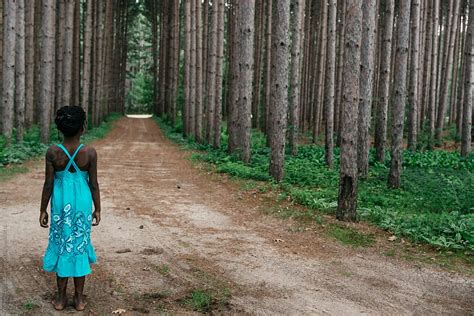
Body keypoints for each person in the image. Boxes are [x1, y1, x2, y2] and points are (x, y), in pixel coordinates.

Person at [39, 106, 101, 311]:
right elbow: (94, 184)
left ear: (60, 129)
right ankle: (79, 299)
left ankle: (60, 298)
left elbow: (48, 184)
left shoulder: (53, 153)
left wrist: (43, 209)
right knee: (79, 245)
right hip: (82, 205)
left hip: (61, 205)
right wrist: (98, 208)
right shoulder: (89, 153)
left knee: (62, 243)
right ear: (82, 128)